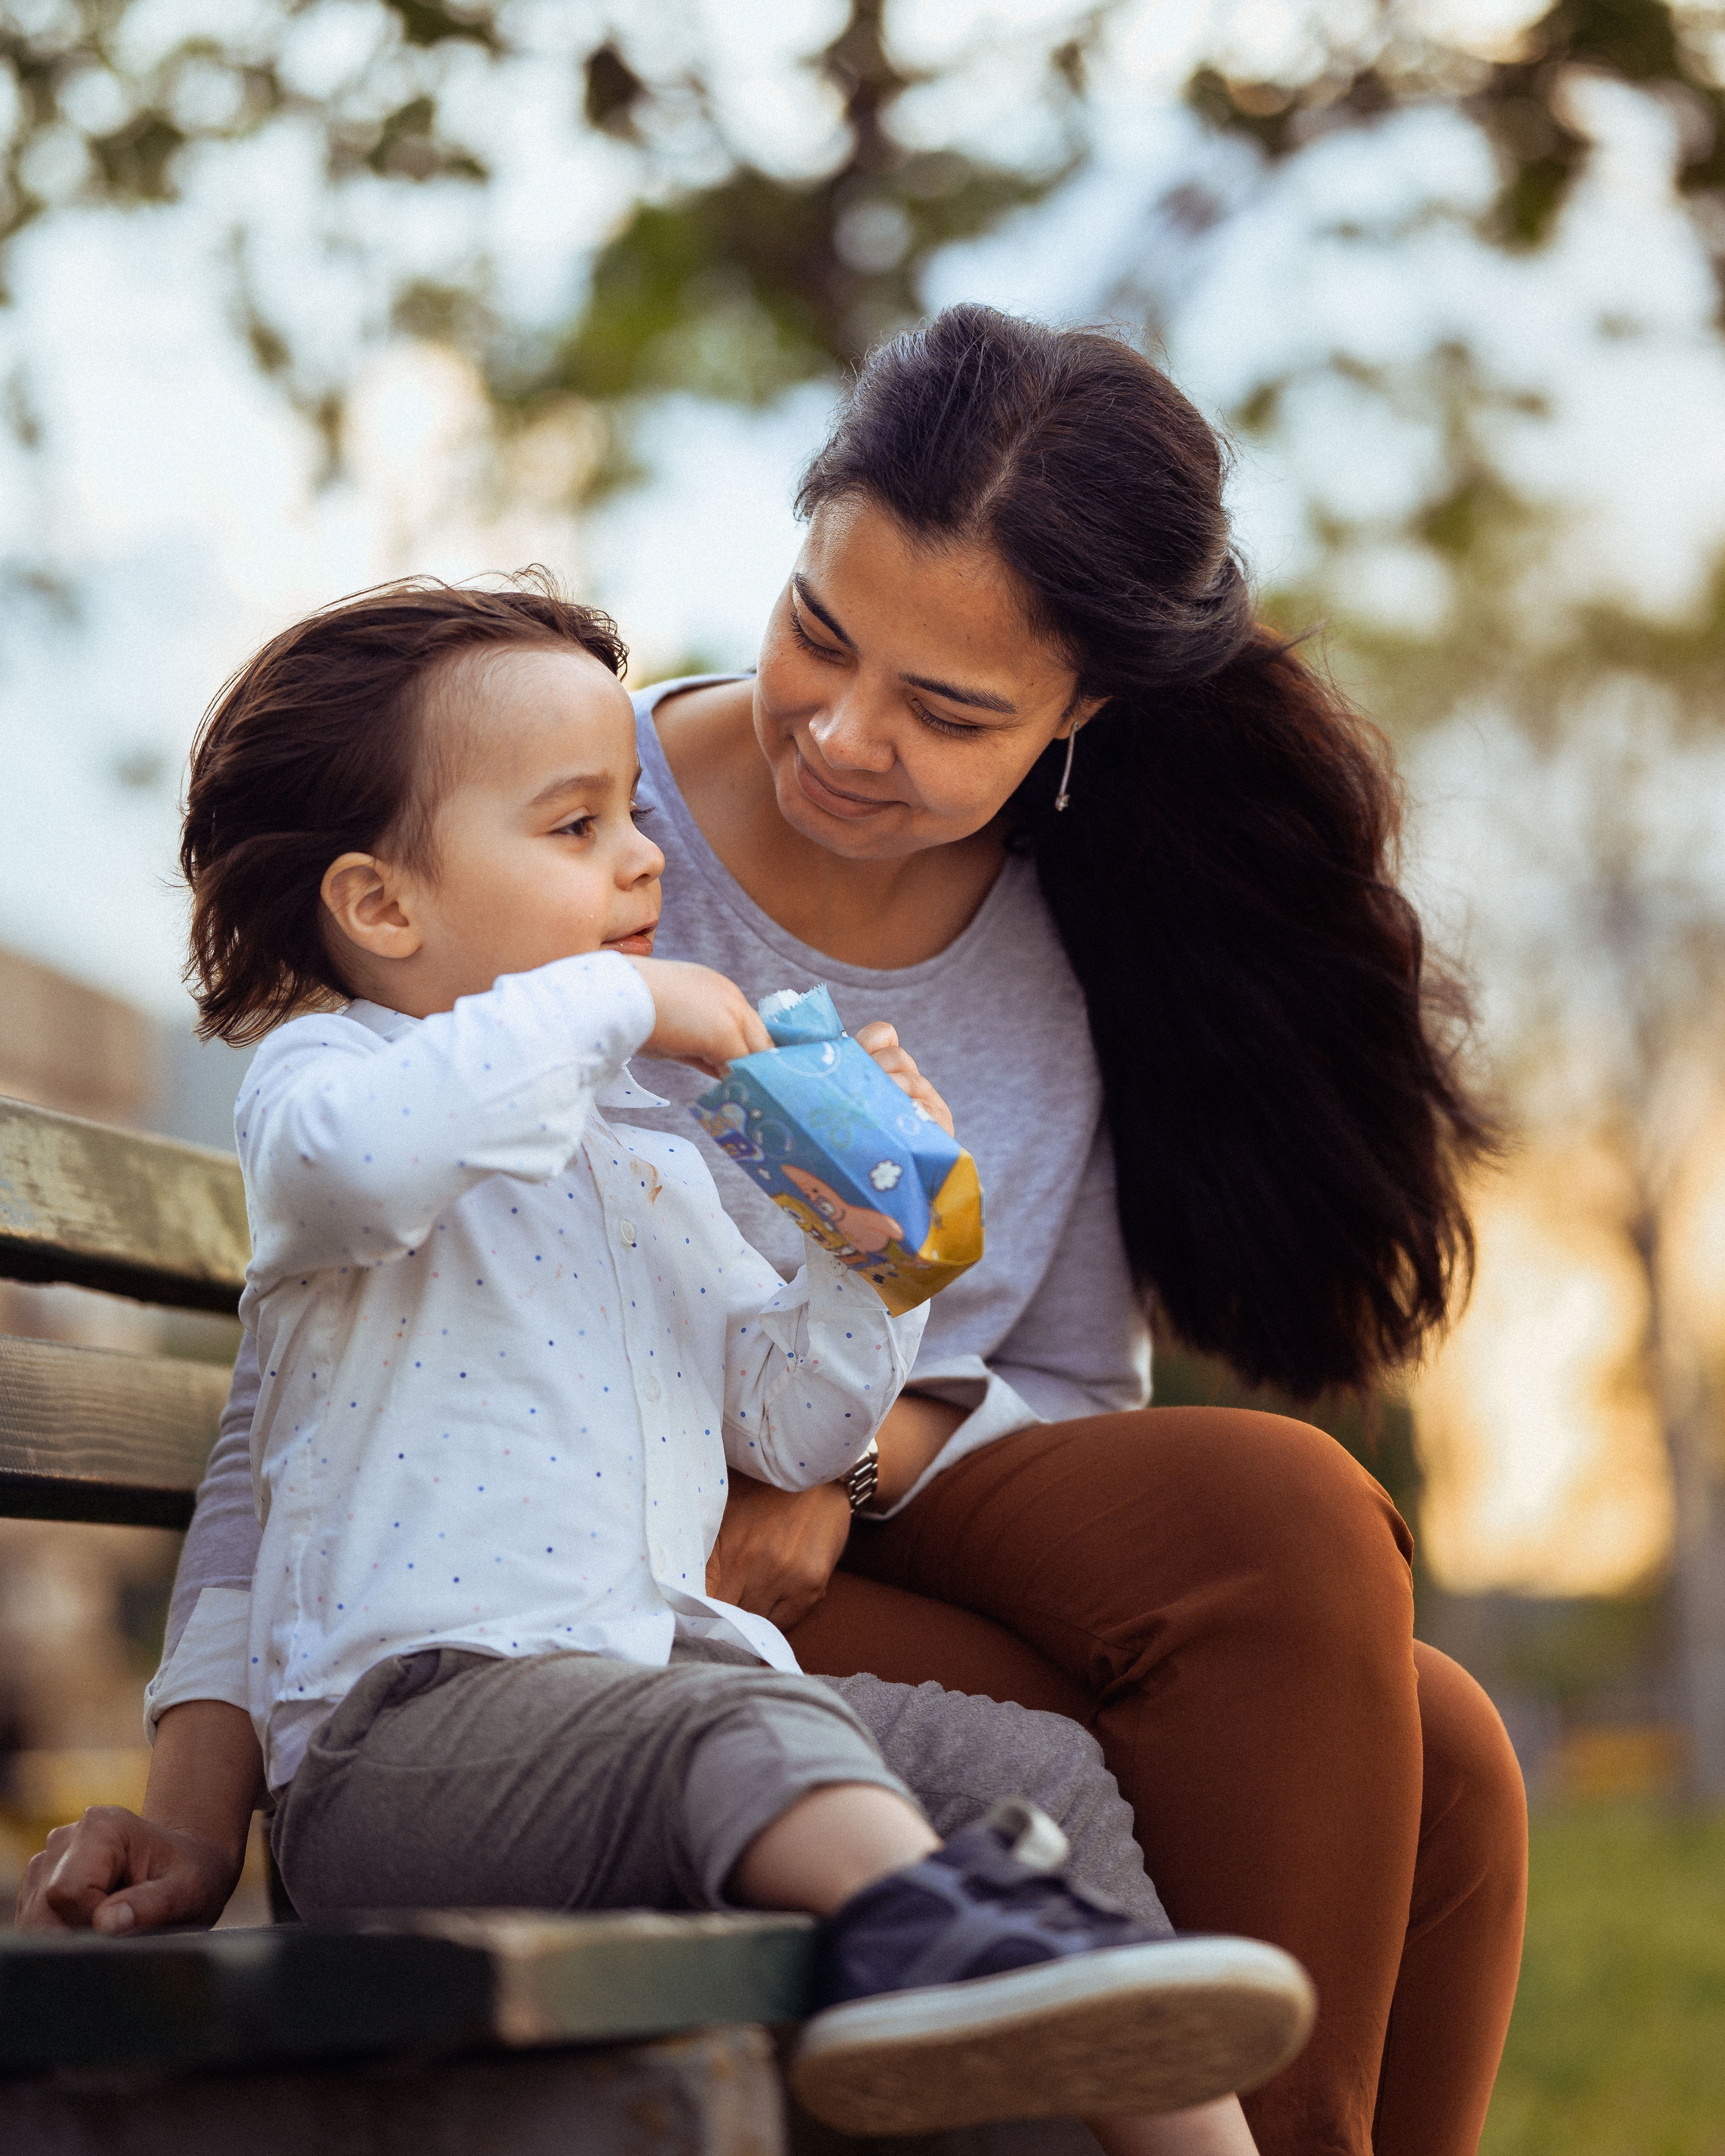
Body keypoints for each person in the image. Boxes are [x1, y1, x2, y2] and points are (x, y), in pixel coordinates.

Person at [22, 309, 1524, 2156]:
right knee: (1417, 1740)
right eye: (822, 628)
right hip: (576, 1582)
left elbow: (1064, 1374)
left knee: (1370, 1637)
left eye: (952, 711)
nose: (842, 728)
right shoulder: (545, 829)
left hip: (859, 1487)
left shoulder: (1086, 935)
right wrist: (191, 1798)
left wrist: (851, 1450)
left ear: (1081, 718)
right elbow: (307, 1358)